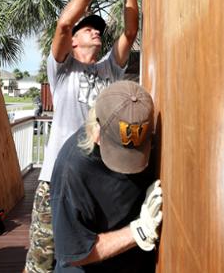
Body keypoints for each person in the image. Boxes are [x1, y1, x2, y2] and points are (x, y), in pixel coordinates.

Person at [24, 0, 143, 272]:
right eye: (88, 29)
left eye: (97, 30)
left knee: (82, 257)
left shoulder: (109, 70)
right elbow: (64, 23)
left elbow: (130, 33)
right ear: (73, 41)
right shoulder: (62, 70)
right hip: (57, 180)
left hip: (97, 179)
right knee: (40, 261)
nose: (95, 32)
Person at [50, 80, 162, 272]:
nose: (128, 167)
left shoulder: (149, 141)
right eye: (119, 153)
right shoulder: (71, 171)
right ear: (97, 131)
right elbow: (74, 252)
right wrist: (139, 231)